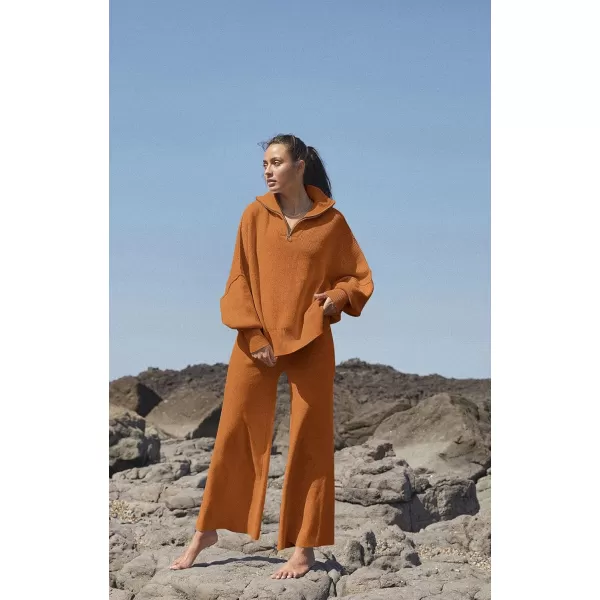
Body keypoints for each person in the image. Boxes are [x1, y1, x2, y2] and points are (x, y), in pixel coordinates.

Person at [170, 133, 374, 578]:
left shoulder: (332, 222)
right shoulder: (253, 215)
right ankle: (207, 529)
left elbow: (356, 278)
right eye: (264, 163)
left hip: (312, 340)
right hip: (256, 341)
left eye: (276, 162)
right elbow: (238, 279)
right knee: (234, 430)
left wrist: (337, 298)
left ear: (299, 165)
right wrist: (253, 334)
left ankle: (304, 547)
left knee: (310, 440)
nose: (267, 170)